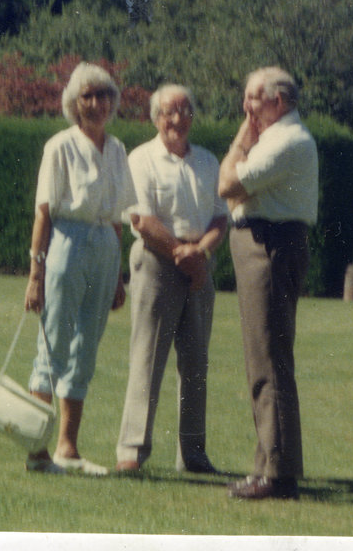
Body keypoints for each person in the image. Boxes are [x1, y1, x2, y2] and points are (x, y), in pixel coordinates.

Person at [23, 62, 137, 476]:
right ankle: (36, 450)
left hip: (104, 247)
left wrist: (119, 274)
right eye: (87, 96)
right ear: (74, 102)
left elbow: (120, 217)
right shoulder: (60, 146)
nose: (96, 103)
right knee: (52, 346)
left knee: (85, 349)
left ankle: (67, 448)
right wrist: (35, 274)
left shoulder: (119, 149)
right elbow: (43, 214)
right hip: (66, 245)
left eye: (103, 95)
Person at [115, 84, 227, 475]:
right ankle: (132, 451)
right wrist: (182, 253)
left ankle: (193, 456)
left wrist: (202, 254)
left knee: (196, 364)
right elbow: (142, 220)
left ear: (193, 116)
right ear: (155, 118)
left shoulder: (210, 162)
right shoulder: (141, 158)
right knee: (147, 359)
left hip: (200, 265)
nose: (176, 119)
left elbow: (219, 217)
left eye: (183, 110)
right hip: (156, 264)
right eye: (167, 112)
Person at [217, 66, 318, 500]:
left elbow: (226, 183)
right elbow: (235, 190)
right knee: (264, 357)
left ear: (279, 101)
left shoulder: (286, 141)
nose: (247, 107)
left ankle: (277, 474)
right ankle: (270, 467)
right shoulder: (277, 139)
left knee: (269, 359)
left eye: (254, 99)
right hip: (264, 242)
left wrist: (243, 135)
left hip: (270, 246)